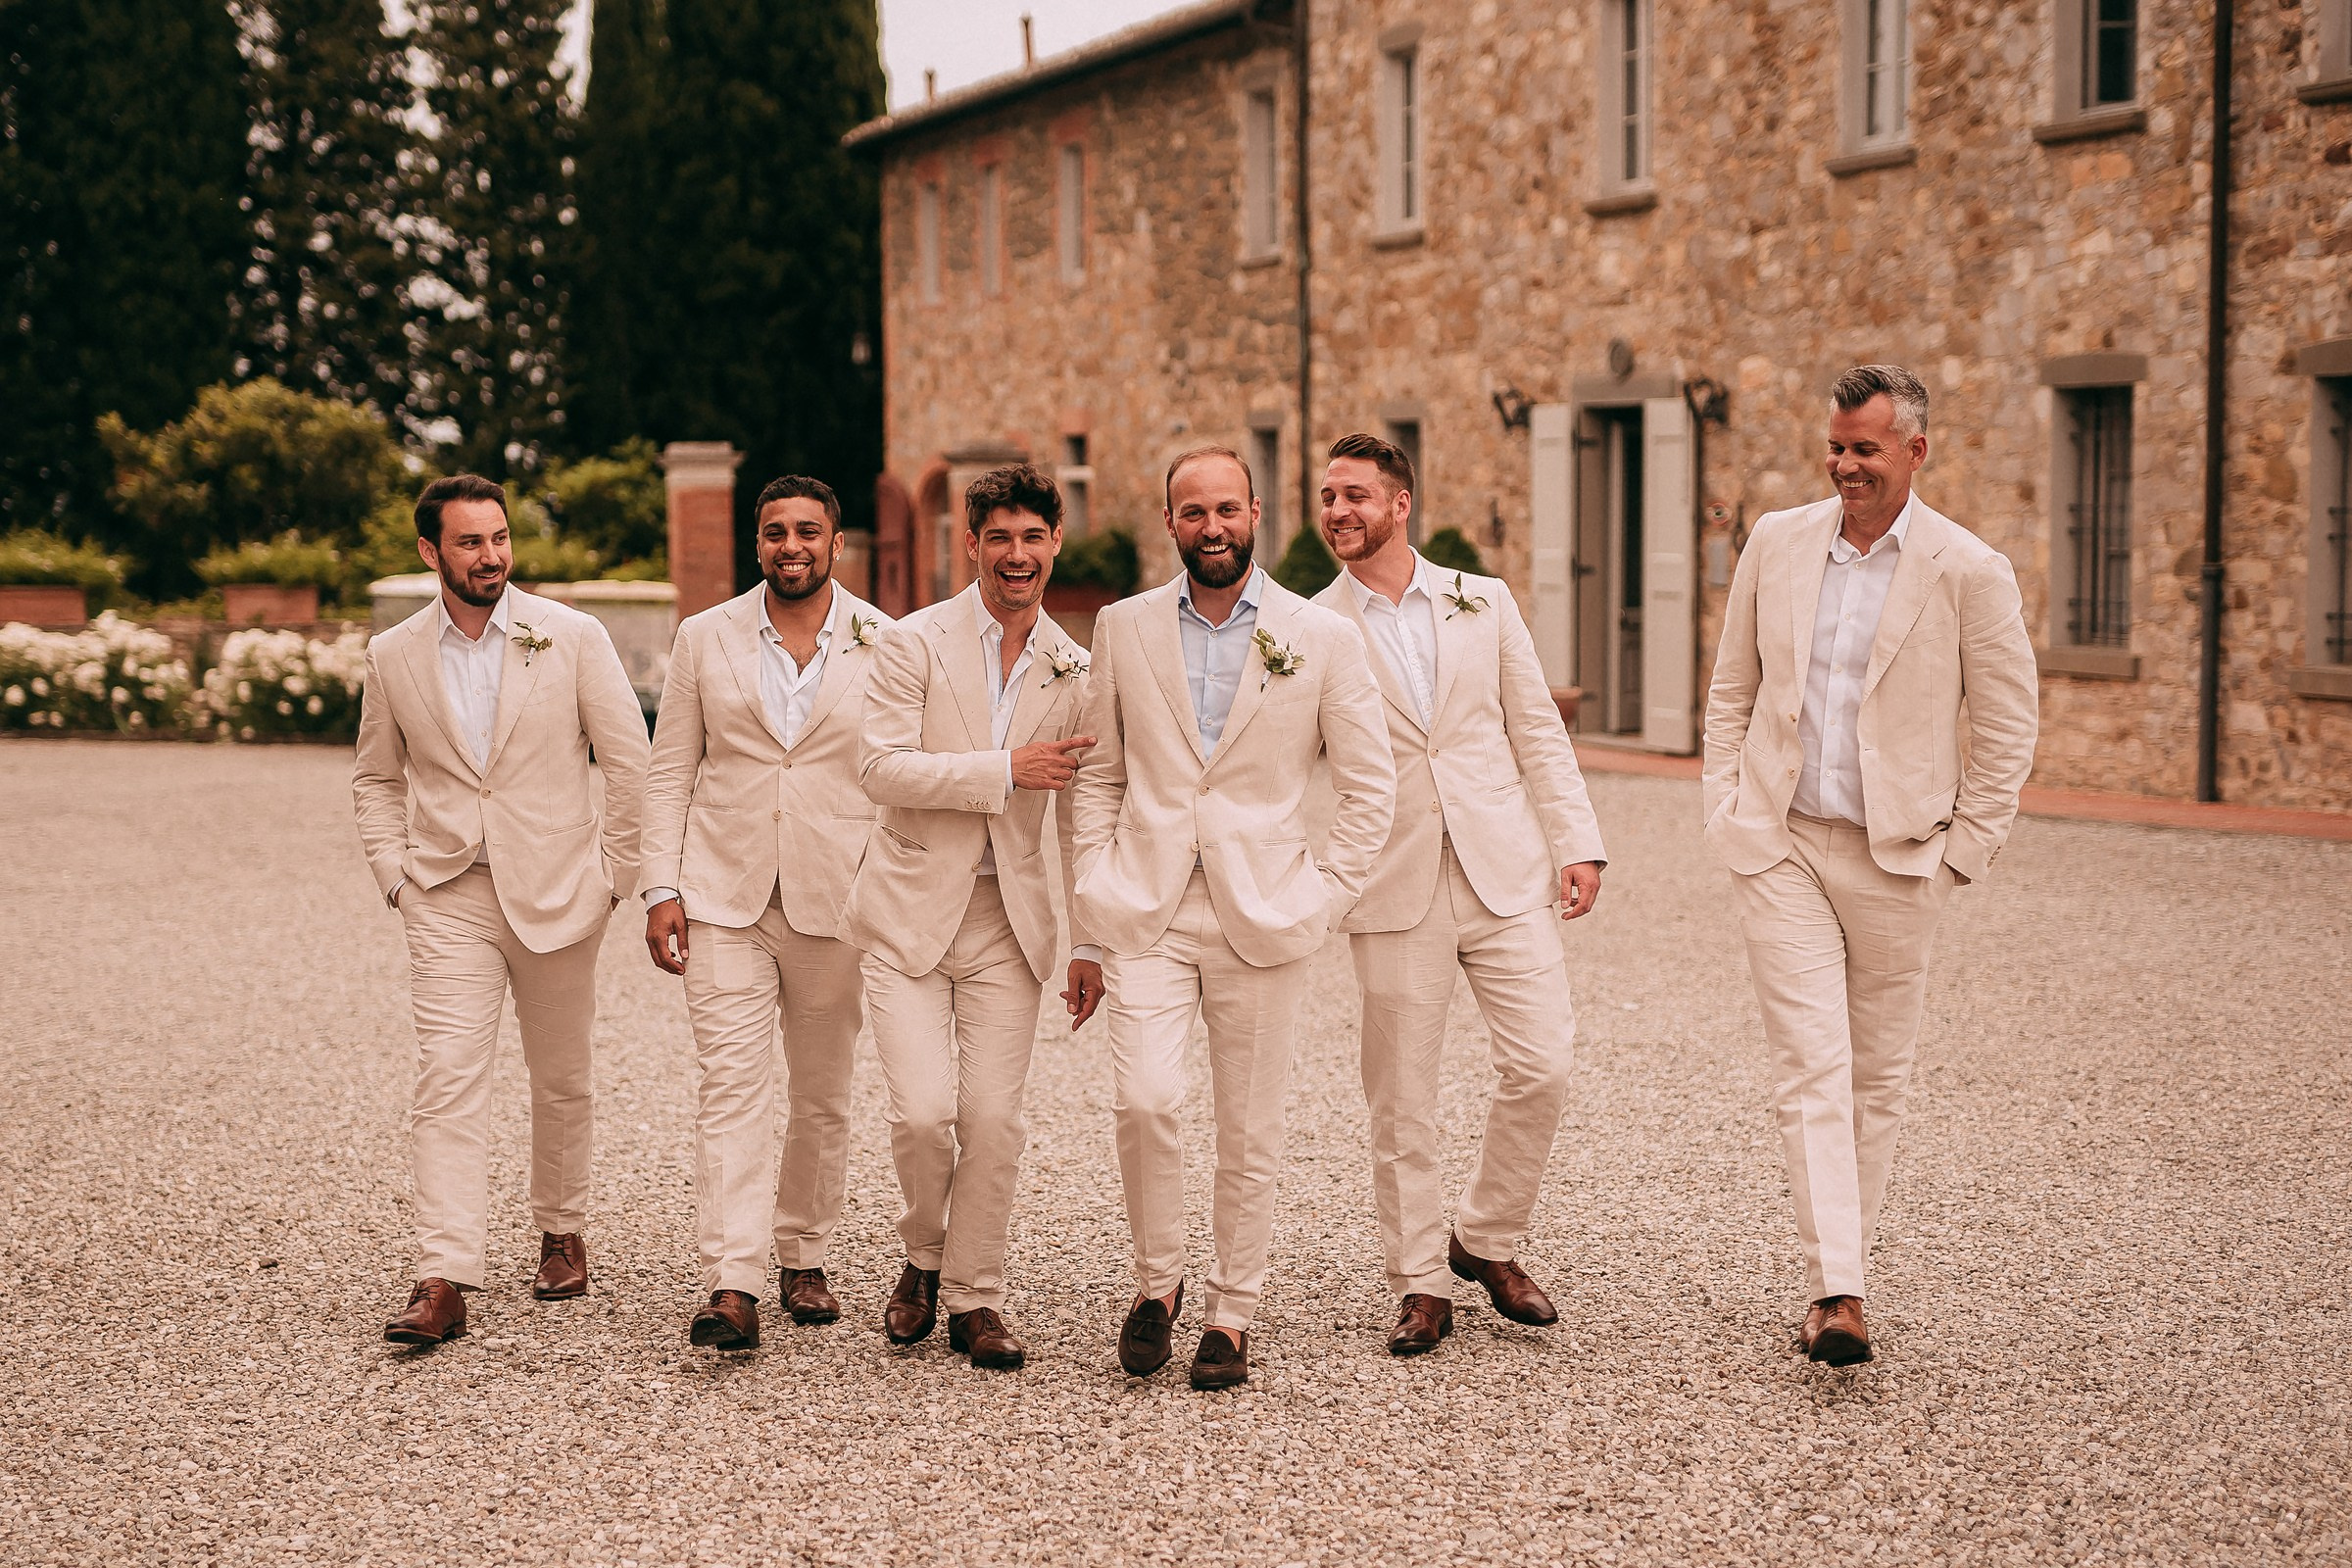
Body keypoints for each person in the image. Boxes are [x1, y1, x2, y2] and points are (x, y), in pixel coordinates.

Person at [1702, 365, 2038, 1365]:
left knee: (1877, 1080)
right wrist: (1727, 810)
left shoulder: (1969, 568)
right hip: (1783, 842)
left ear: (1915, 453)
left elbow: (2010, 727)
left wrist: (1959, 857)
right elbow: (1732, 688)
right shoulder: (1775, 540)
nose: (1845, 464)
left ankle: (1839, 1270)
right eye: (1837, 446)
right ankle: (1839, 1290)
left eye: (1866, 449)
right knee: (1814, 1061)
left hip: (1902, 860)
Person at [1069, 445, 1395, 1391]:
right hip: (1148, 908)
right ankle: (1155, 1281)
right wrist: (1095, 874)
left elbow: (1370, 790)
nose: (1212, 528)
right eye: (1192, 513)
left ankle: (1232, 1309)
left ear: (1256, 511)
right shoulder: (1123, 628)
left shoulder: (1321, 636)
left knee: (1250, 1127)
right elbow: (1101, 770)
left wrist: (1324, 896)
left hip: (1266, 910)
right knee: (1147, 1101)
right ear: (1169, 523)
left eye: (1227, 510)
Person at [1310, 432, 1608, 1357]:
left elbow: (1534, 728)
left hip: (1503, 867)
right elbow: (1279, 762)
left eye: (1356, 496)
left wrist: (1579, 842)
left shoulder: (1485, 601)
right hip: (1389, 879)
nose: (1338, 512)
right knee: (1400, 1094)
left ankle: (1484, 1238)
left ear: (1402, 506)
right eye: (1327, 497)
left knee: (1545, 1062)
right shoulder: (1310, 626)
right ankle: (1418, 1281)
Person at [354, 473, 650, 1346]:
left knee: (561, 1075)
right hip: (447, 892)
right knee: (447, 1076)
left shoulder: (571, 635)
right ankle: (443, 1275)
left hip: (563, 888)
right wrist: (396, 876)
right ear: (429, 552)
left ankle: (561, 1228)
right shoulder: (393, 654)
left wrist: (616, 875)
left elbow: (627, 758)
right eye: (471, 543)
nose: (491, 556)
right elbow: (375, 776)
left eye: (500, 539)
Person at [842, 463, 1103, 1370]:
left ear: (1055, 543)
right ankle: (923, 1252)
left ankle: (975, 1296)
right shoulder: (911, 643)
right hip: (909, 910)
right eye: (1000, 538)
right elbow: (878, 769)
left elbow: (1087, 812)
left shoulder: (1077, 668)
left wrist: (1092, 939)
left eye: (1034, 538)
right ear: (973, 546)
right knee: (921, 1116)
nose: (1017, 555)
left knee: (994, 1119)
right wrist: (1003, 771)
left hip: (1012, 921)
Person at [639, 476, 893, 1351]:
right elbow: (669, 768)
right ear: (758, 544)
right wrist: (659, 885)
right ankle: (733, 1279)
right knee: (732, 1088)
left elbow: (900, 776)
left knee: (822, 1091)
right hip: (722, 893)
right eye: (777, 532)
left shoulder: (886, 643)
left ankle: (805, 1249)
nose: (793, 546)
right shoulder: (703, 638)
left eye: (810, 532)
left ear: (836, 545)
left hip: (839, 895)